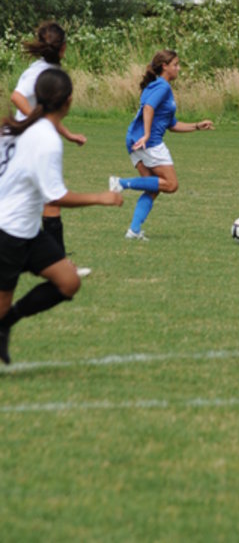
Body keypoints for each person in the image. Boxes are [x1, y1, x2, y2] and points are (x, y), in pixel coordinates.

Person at [0, 68, 123, 365]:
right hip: (8, 233)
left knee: (68, 282)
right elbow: (54, 196)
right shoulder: (45, 138)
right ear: (69, 100)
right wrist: (101, 198)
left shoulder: (22, 127)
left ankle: (6, 323)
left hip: (27, 231)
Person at [10, 21, 91, 276]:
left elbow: (48, 114)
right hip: (26, 142)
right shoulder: (39, 71)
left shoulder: (48, 70)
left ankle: (58, 265)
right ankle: (61, 268)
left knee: (44, 203)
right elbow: (17, 97)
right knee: (49, 202)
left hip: (28, 140)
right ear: (63, 47)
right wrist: (36, 121)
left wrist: (68, 134)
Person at [109, 50, 214, 239]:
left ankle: (133, 231)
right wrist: (147, 134)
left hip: (135, 139)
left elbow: (172, 125)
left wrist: (197, 126)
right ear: (165, 66)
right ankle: (121, 183)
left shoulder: (158, 86)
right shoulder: (162, 87)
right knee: (171, 185)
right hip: (148, 142)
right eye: (176, 64)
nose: (179, 68)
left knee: (153, 188)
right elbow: (148, 108)